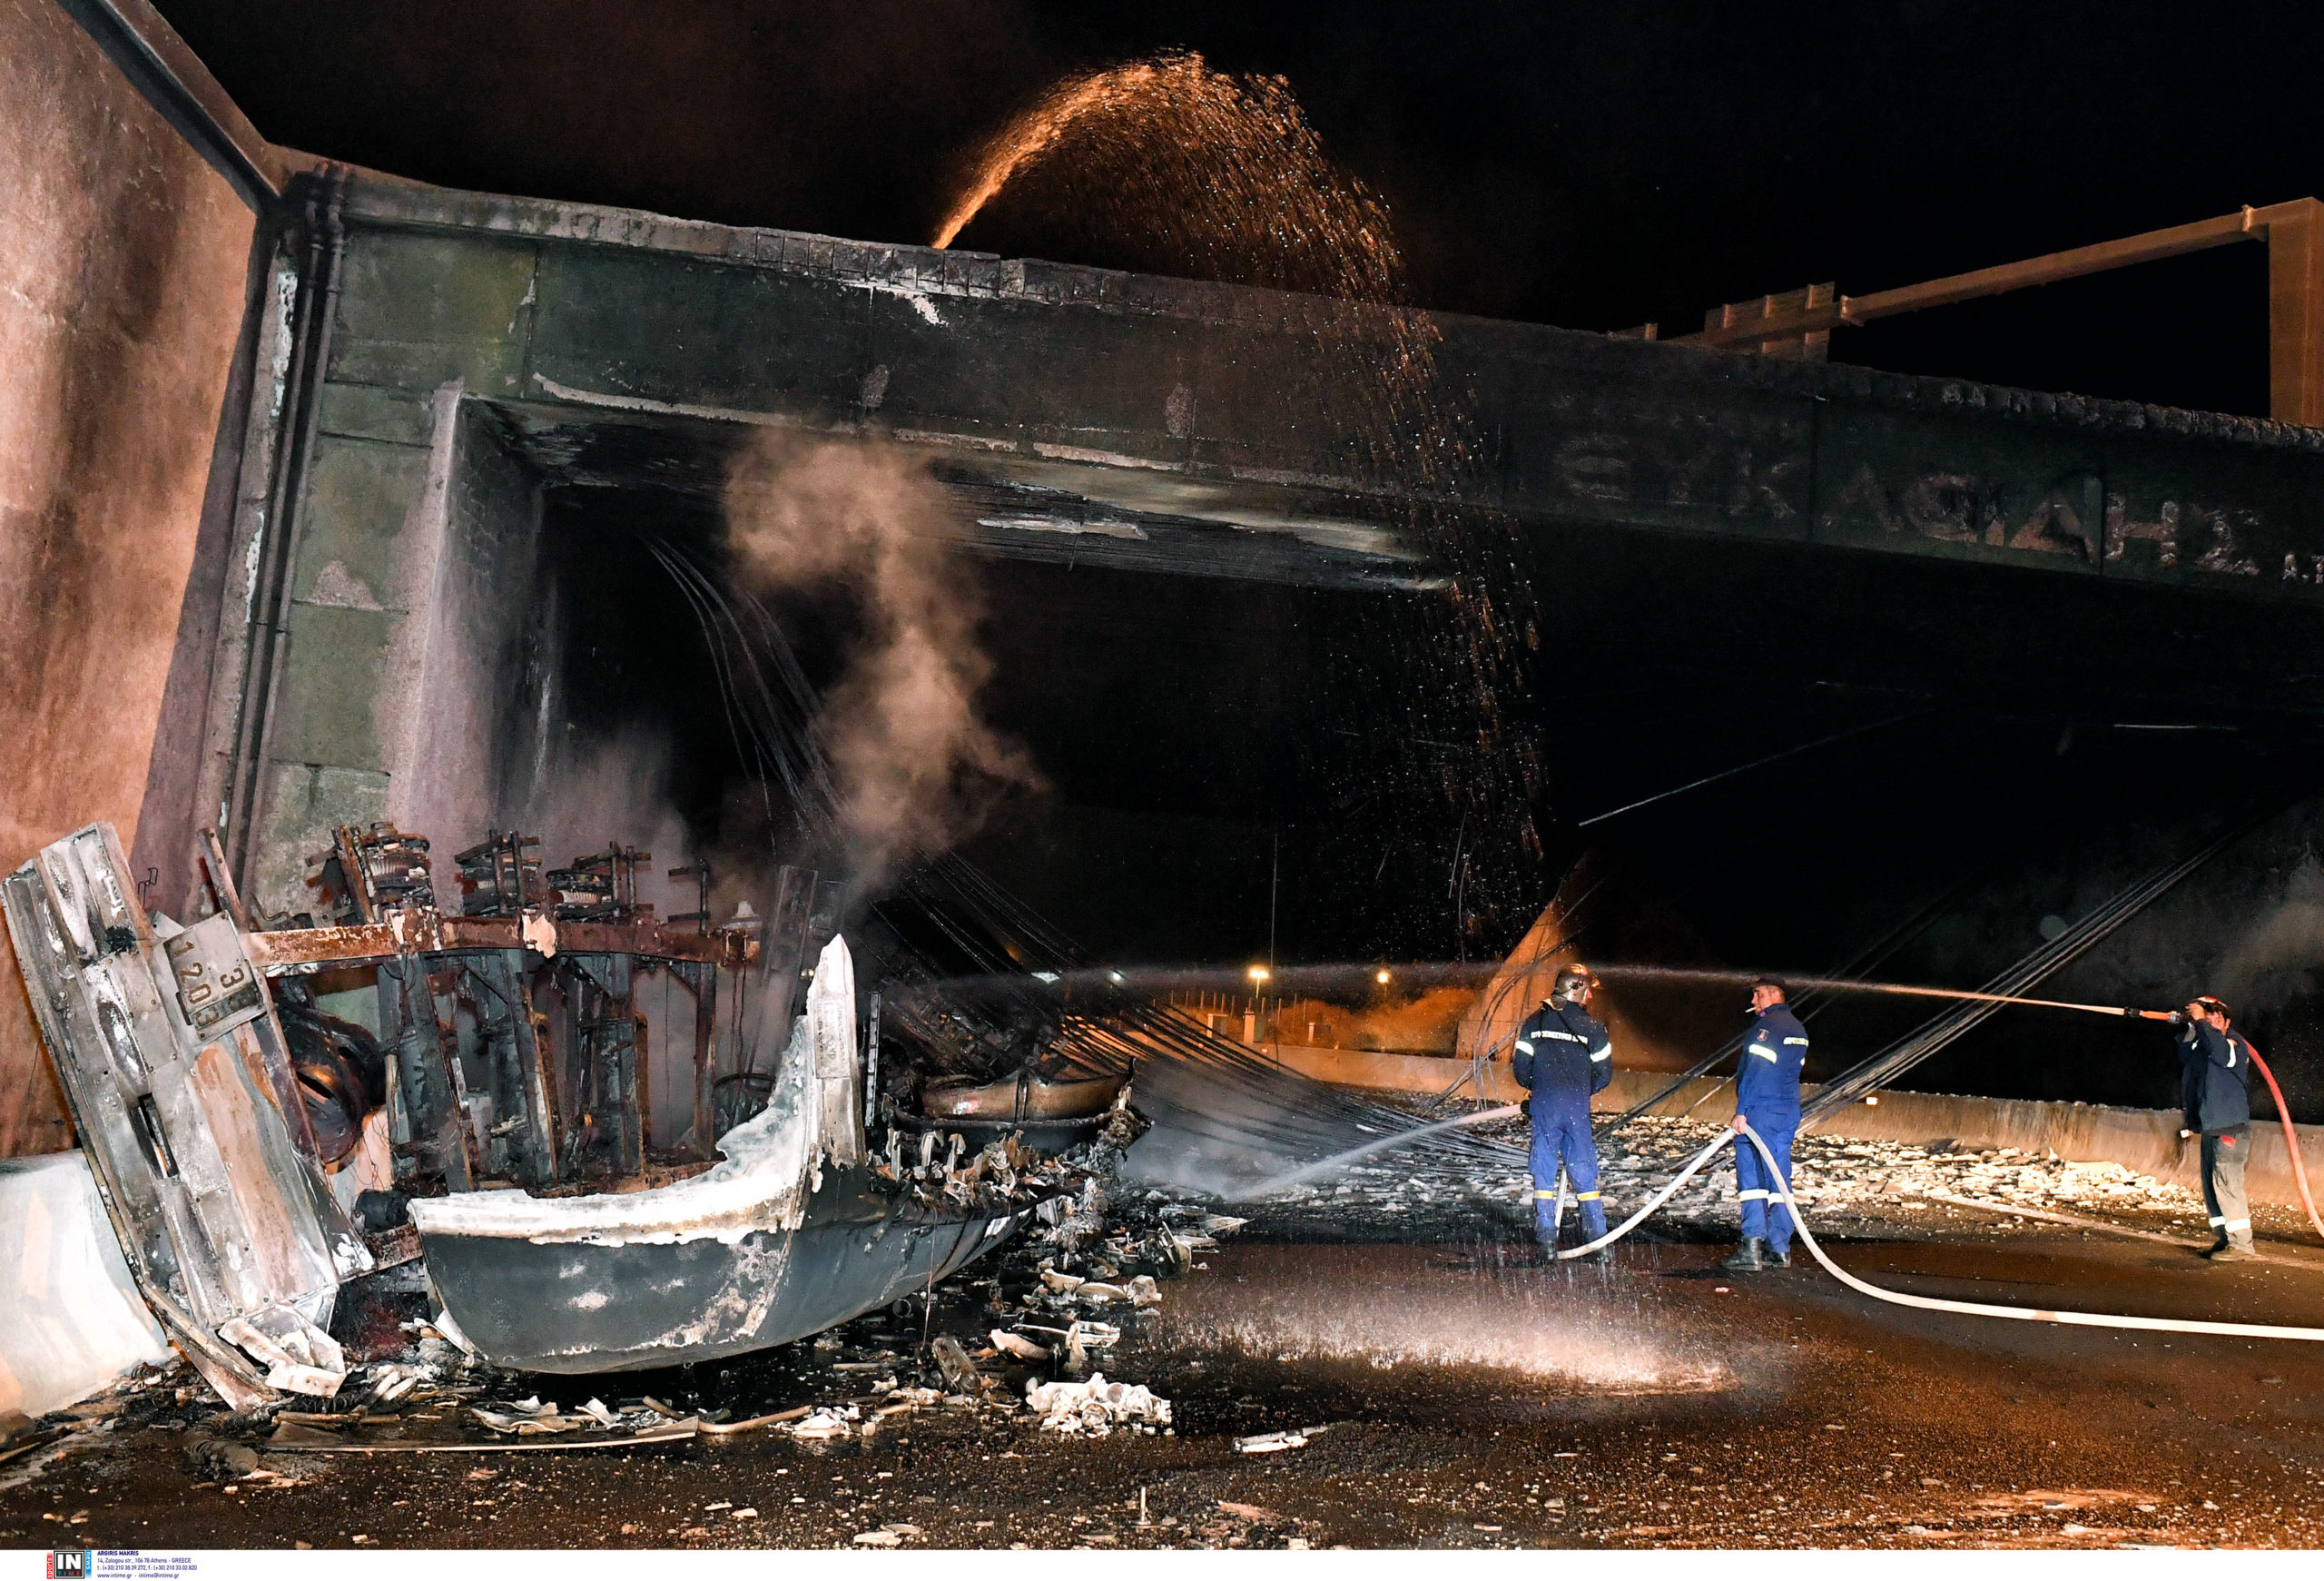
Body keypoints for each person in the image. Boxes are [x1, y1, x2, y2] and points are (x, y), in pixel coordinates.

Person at [1512, 965, 1615, 1260]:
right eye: (1588, 988)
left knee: (1543, 1174)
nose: (1592, 994)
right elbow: (1604, 1075)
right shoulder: (1595, 1029)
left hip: (1544, 1107)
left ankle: (1546, 1242)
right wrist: (1579, 1090)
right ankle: (1599, 1244)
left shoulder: (1535, 1021)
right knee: (1584, 1176)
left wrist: (1541, 1089)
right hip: (1577, 1110)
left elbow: (1521, 1070)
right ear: (1577, 989)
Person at [1725, 974, 1809, 1271]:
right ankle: (1780, 1249)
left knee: (1752, 1181)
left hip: (1760, 1110)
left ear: (1774, 995)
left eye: (1757, 994)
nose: (1753, 1000)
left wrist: (1742, 1110)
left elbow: (1755, 1074)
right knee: (1779, 1179)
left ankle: (1751, 1248)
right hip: (1787, 1112)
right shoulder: (1797, 1029)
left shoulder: (1765, 1028)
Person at [2177, 995, 2257, 1261]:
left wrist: (2201, 1024)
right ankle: (2226, 1239)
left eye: (2216, 1018)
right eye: (2206, 1017)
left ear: (2227, 1023)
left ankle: (2242, 1245)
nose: (2210, 1022)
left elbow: (2221, 1053)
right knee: (2212, 1186)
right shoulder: (2205, 1043)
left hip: (2230, 1128)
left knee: (2227, 1183)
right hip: (2212, 1127)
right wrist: (2192, 1026)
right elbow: (2185, 1055)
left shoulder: (2233, 1044)